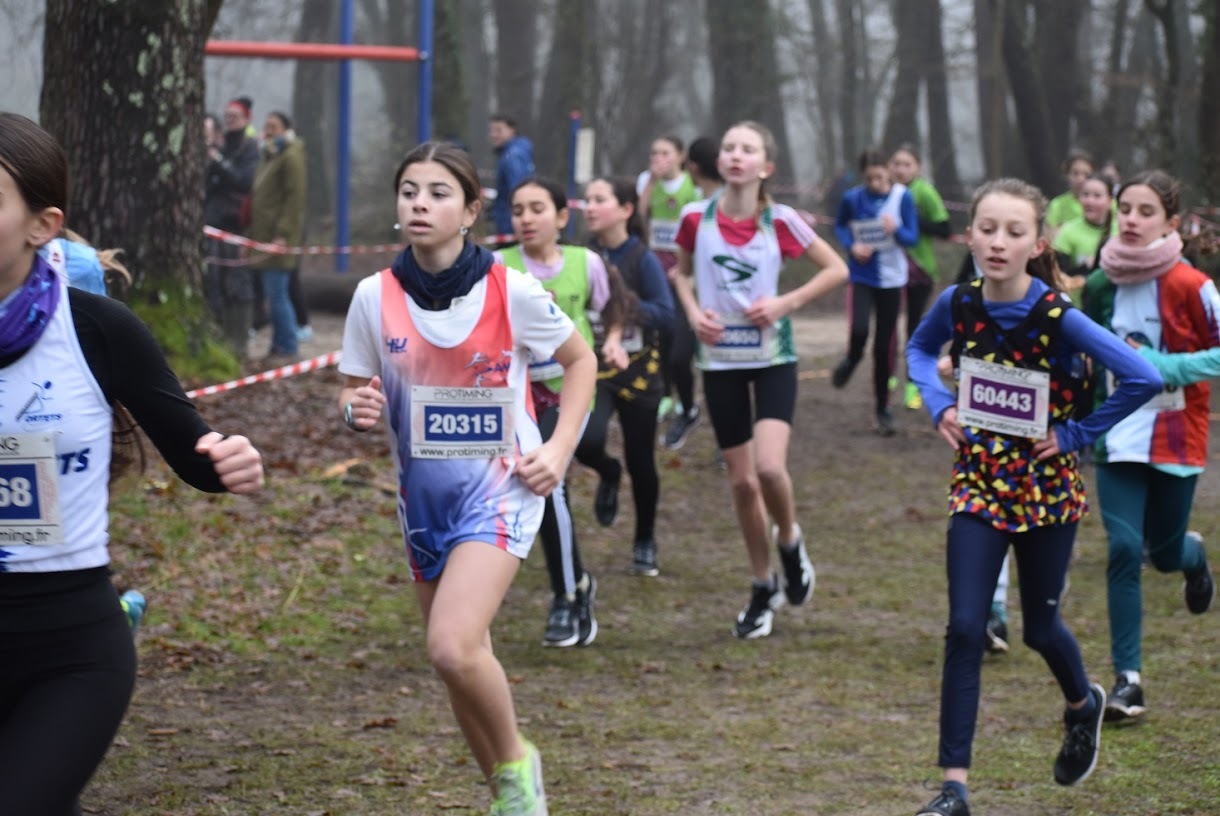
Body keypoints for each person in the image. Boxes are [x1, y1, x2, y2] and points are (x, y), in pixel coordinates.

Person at [0, 111, 265, 816]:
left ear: (42, 226)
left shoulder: (97, 330)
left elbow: (195, 453)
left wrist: (227, 458)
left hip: (69, 651)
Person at [338, 142, 595, 815]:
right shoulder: (374, 296)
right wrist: (353, 408)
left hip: (503, 491)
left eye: (438, 193)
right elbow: (352, 386)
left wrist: (560, 448)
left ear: (471, 211)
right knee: (460, 658)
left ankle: (518, 764)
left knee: (451, 646)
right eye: (409, 192)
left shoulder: (511, 290)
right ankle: (509, 796)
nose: (420, 204)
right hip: (424, 505)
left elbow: (581, 362)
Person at [906, 177, 1162, 816]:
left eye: (1014, 232)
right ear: (970, 236)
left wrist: (1076, 433)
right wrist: (938, 402)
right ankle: (954, 788)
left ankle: (1083, 703)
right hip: (979, 484)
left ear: (1037, 244)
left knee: (1040, 629)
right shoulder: (959, 302)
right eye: (988, 229)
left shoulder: (1058, 315)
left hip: (1046, 489)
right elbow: (919, 349)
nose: (998, 242)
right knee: (966, 628)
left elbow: (1142, 376)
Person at [672, 121, 848, 639]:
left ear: (765, 167)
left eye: (747, 149)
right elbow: (681, 273)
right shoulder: (694, 218)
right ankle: (761, 584)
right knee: (742, 482)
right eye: (729, 147)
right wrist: (693, 313)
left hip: (772, 357)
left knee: (770, 468)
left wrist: (785, 303)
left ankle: (789, 541)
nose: (735, 155)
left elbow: (836, 269)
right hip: (720, 360)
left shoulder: (781, 220)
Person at [1081, 169, 1219, 723]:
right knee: (1122, 548)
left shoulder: (1192, 285)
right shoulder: (1099, 285)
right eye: (1125, 210)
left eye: (1145, 212)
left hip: (1176, 435)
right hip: (1116, 435)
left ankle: (1191, 555)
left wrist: (1163, 367)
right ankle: (1128, 681)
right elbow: (1084, 353)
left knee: (1162, 555)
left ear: (1170, 222)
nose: (1132, 220)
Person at [495, 177, 627, 648]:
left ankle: (570, 593)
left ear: (561, 216)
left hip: (571, 389)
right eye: (517, 210)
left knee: (560, 473)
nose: (526, 219)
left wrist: (613, 339)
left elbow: (615, 307)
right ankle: (572, 589)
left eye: (537, 209)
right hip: (522, 398)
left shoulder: (585, 263)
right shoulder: (498, 266)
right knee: (545, 487)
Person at [577, 176, 674, 575]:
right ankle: (607, 470)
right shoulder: (581, 256)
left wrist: (623, 304)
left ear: (625, 209)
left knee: (641, 460)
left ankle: (645, 540)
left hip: (638, 371)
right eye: (587, 200)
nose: (589, 207)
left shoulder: (641, 259)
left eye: (599, 200)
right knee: (586, 441)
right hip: (593, 369)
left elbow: (666, 314)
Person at [831, 148, 919, 435]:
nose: (875, 184)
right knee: (859, 330)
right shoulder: (852, 198)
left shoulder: (902, 197)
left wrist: (896, 230)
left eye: (880, 178)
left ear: (889, 173)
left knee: (884, 348)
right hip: (862, 276)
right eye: (869, 179)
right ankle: (852, 358)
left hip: (892, 280)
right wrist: (851, 246)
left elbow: (912, 238)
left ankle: (883, 409)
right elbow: (840, 226)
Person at [661, 136, 722, 451]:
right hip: (690, 299)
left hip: (724, 301)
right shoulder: (694, 209)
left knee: (722, 372)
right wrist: (683, 275)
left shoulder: (732, 206)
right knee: (678, 357)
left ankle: (731, 441)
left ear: (692, 167)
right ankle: (688, 411)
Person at [888, 143, 951, 411]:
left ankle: (912, 386)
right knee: (887, 326)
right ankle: (887, 376)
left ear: (918, 168)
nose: (901, 170)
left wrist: (910, 221)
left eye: (907, 165)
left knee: (913, 329)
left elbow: (945, 228)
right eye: (897, 164)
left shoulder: (924, 192)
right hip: (888, 268)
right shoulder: (885, 191)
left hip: (920, 270)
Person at [248, 111, 307, 361]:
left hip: (278, 237)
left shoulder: (291, 156)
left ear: (286, 129)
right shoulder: (270, 154)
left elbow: (294, 199)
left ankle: (289, 345)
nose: (269, 130)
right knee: (273, 293)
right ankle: (279, 342)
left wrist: (282, 234)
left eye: (274, 126)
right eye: (267, 125)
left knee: (278, 293)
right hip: (263, 235)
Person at [205, 100, 260, 356]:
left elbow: (244, 181)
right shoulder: (221, 144)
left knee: (238, 281)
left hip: (236, 226)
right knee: (214, 281)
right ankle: (220, 339)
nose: (230, 120)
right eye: (227, 115)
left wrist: (217, 161)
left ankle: (239, 343)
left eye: (235, 116)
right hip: (213, 223)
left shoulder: (249, 148)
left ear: (246, 119)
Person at [1052, 173, 1116, 278]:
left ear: (1110, 201)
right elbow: (1058, 276)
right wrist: (1085, 266)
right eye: (1085, 195)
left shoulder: (1120, 231)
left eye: (1097, 196)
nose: (1090, 201)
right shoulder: (1068, 230)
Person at [487, 114, 535, 242]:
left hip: (511, 226)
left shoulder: (512, 156)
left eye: (498, 130)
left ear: (512, 130)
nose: (493, 135)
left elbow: (518, 190)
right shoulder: (517, 152)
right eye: (492, 130)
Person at [1045, 150, 1095, 233]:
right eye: (1075, 173)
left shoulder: (1106, 203)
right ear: (1067, 175)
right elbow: (1050, 233)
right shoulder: (1057, 205)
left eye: (1086, 175)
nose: (1081, 179)